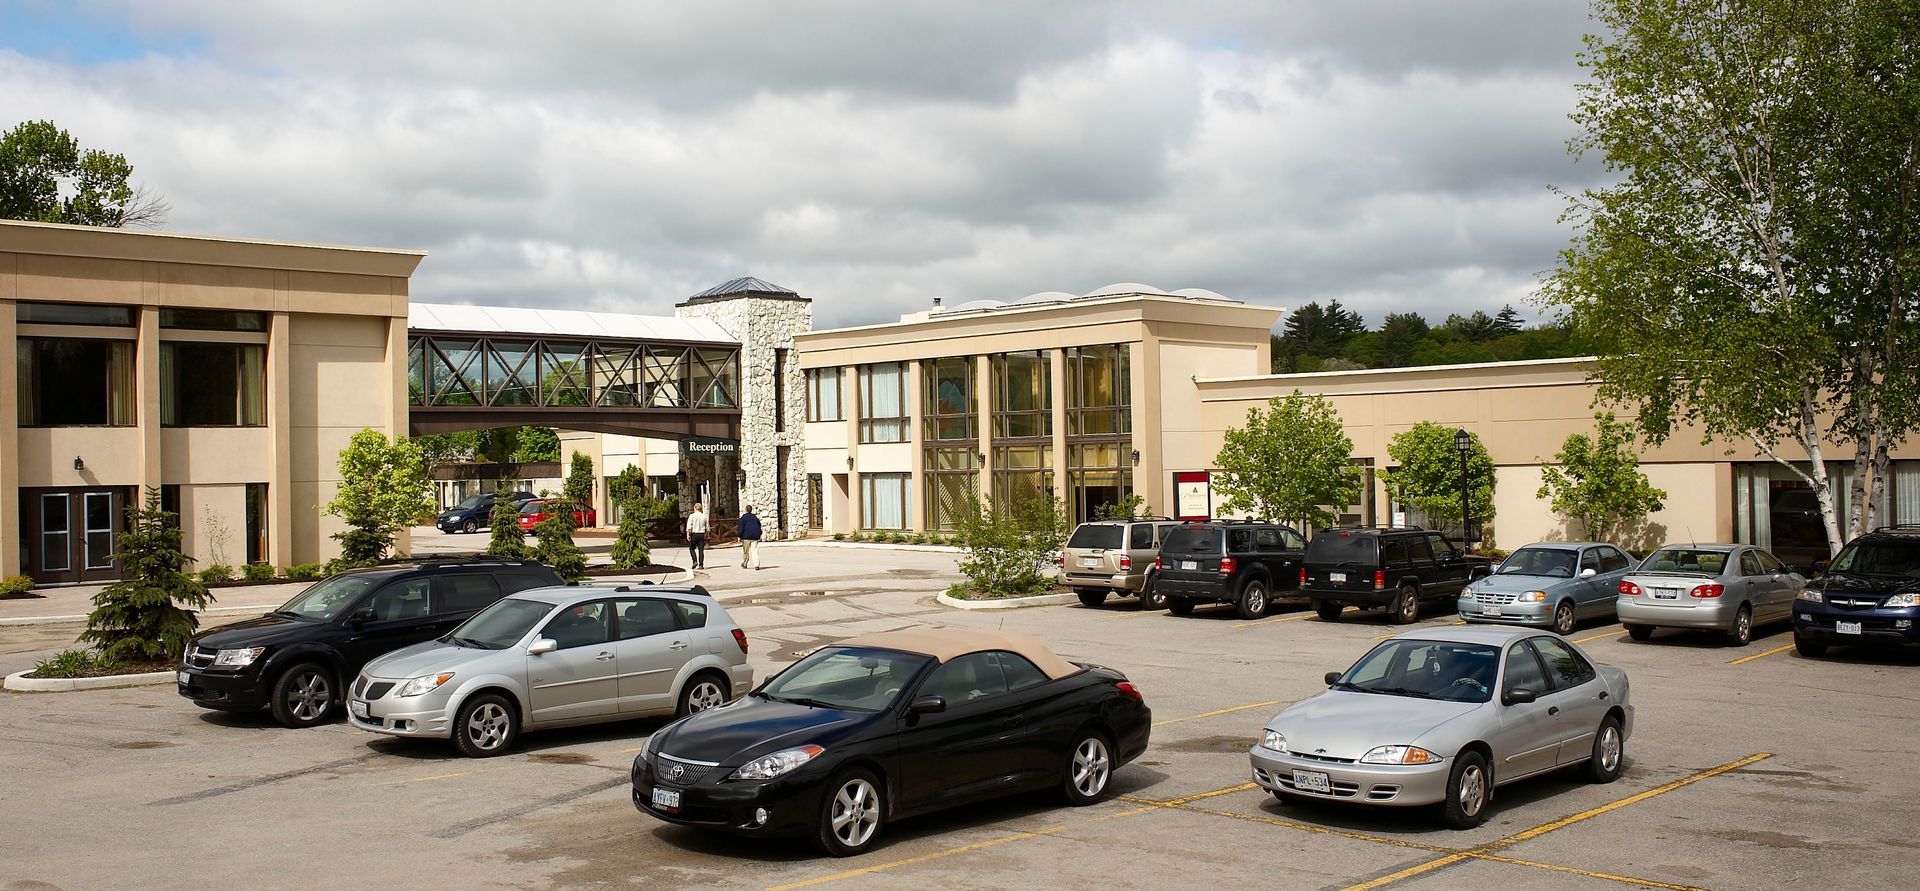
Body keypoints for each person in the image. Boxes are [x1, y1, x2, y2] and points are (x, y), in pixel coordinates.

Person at [738, 505, 763, 570]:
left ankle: (745, 563)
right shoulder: (755, 517)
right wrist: (759, 534)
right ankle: (756, 565)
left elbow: (741, 528)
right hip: (755, 537)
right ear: (751, 510)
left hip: (746, 537)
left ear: (746, 510)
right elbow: (759, 525)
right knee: (755, 551)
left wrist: (740, 536)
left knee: (746, 552)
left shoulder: (743, 518)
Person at [685, 502, 709, 570]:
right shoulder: (704, 516)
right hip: (701, 534)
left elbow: (689, 526)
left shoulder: (692, 516)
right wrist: (707, 535)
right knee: (701, 550)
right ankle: (701, 564)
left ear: (695, 508)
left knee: (691, 548)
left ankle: (694, 561)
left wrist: (688, 534)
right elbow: (707, 527)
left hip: (694, 534)